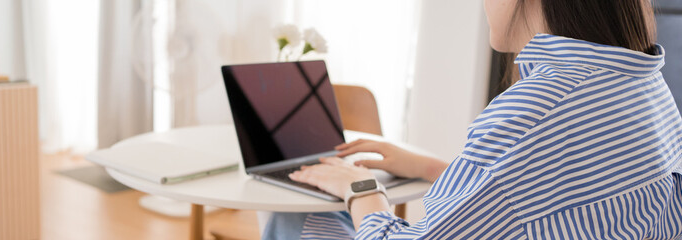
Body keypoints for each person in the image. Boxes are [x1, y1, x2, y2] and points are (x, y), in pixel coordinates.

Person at [262, 0, 682, 239]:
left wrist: (360, 188)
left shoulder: (539, 107)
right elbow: (556, 200)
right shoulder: (643, 83)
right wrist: (430, 168)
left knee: (294, 217)